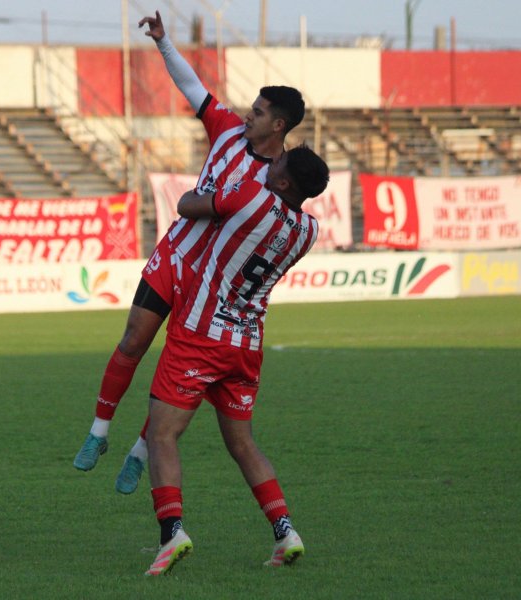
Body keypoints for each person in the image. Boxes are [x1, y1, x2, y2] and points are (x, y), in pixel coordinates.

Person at [73, 9, 307, 496]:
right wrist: (162, 42)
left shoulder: (277, 183)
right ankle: (99, 433)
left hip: (213, 282)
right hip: (175, 255)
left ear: (278, 125)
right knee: (133, 339)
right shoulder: (224, 130)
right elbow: (192, 85)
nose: (249, 113)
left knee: (176, 368)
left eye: (259, 111)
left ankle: (142, 452)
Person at [143, 144, 329, 576]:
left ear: (282, 181)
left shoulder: (249, 196)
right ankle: (286, 532)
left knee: (162, 434)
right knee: (243, 442)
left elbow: (187, 205)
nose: (269, 162)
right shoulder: (308, 230)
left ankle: (172, 533)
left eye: (277, 163)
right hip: (246, 343)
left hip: (201, 335)